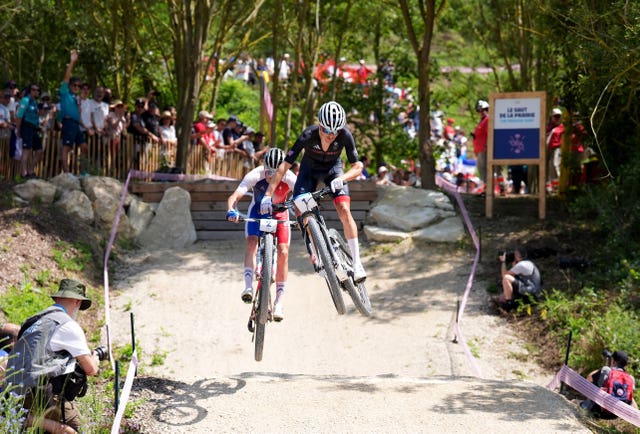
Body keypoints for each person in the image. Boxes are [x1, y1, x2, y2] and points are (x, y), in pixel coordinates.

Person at [260, 100, 367, 282]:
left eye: (335, 131)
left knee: (344, 209)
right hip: (308, 172)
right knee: (300, 208)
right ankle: (317, 250)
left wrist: (342, 179)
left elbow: (357, 166)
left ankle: (357, 263)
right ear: (319, 126)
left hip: (334, 172)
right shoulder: (307, 135)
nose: (331, 135)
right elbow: (284, 166)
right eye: (326, 130)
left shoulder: (345, 136)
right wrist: (268, 195)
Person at [6, 279, 105, 433]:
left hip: (13, 392)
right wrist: (95, 358)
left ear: (57, 298)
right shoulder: (68, 325)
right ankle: (36, 421)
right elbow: (91, 369)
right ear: (78, 301)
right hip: (39, 390)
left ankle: (34, 421)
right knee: (80, 428)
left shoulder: (33, 321)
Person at [226, 148, 297, 321]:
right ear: (263, 166)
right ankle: (248, 287)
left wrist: (303, 219)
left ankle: (279, 303)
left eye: (275, 173)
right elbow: (235, 196)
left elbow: (299, 201)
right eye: (268, 172)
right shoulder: (255, 174)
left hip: (280, 213)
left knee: (284, 252)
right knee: (251, 242)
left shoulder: (290, 177)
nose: (271, 177)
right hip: (257, 211)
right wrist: (231, 210)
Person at [59, 50, 90, 175]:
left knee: (84, 147)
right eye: (75, 85)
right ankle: (67, 173)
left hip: (76, 124)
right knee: (67, 147)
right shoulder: (64, 92)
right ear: (70, 85)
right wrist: (72, 62)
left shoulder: (75, 98)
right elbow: (66, 78)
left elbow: (78, 113)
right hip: (68, 123)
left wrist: (84, 125)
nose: (77, 87)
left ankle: (83, 171)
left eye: (79, 86)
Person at [580, 350, 637, 416]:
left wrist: (605, 367)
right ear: (625, 365)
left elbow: (589, 379)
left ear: (614, 361)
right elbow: (630, 398)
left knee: (575, 401)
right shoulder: (631, 378)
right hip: (616, 415)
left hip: (599, 410)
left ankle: (586, 406)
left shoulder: (606, 370)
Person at [15, 83, 43, 178]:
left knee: (39, 151)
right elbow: (19, 116)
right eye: (33, 89)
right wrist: (18, 130)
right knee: (26, 150)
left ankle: (30, 171)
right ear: (29, 90)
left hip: (34, 129)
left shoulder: (34, 102)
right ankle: (24, 173)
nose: (35, 91)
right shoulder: (25, 100)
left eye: (37, 90)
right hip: (26, 127)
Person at [546, 107, 565, 192]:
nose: (557, 118)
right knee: (547, 167)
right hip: (546, 149)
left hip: (557, 149)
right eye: (555, 116)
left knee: (555, 165)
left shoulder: (562, 127)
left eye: (559, 116)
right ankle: (548, 186)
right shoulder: (547, 126)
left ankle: (557, 186)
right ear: (551, 117)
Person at [473, 99, 490, 183]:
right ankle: (485, 187)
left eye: (483, 110)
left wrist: (486, 146)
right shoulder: (482, 121)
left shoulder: (487, 120)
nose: (481, 112)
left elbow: (489, 134)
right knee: (481, 169)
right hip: (480, 150)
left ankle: (487, 188)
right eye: (479, 111)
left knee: (484, 169)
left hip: (484, 149)